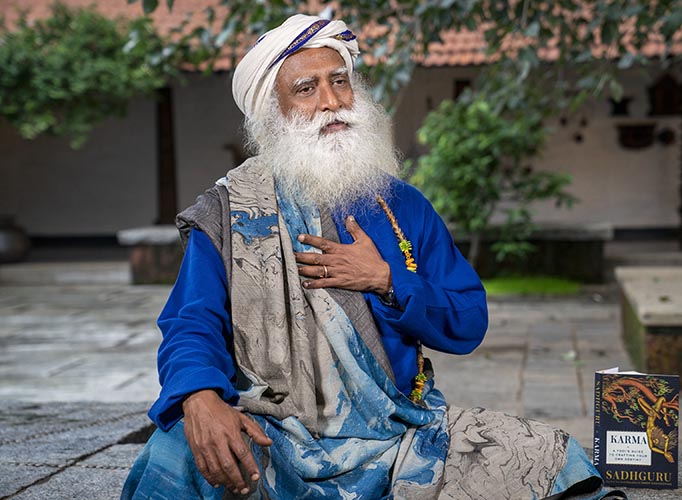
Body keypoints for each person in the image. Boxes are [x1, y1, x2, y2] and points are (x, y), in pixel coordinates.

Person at [122, 13, 623, 500]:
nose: (331, 102)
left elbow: (469, 322)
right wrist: (199, 396)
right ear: (272, 116)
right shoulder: (230, 213)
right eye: (305, 89)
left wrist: (387, 279)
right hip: (271, 430)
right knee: (177, 453)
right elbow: (192, 323)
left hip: (399, 434)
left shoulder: (402, 205)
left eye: (339, 82)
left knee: (549, 458)